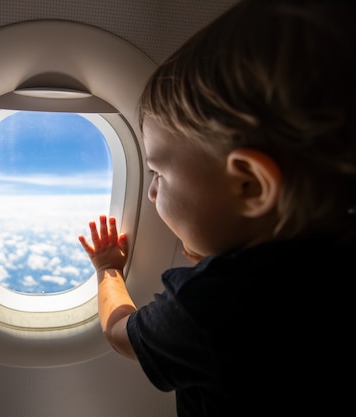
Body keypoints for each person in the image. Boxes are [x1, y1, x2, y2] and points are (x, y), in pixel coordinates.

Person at [78, 0, 355, 416]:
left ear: (249, 186)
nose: (151, 193)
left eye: (158, 173)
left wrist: (107, 269)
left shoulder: (209, 307)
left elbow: (121, 334)